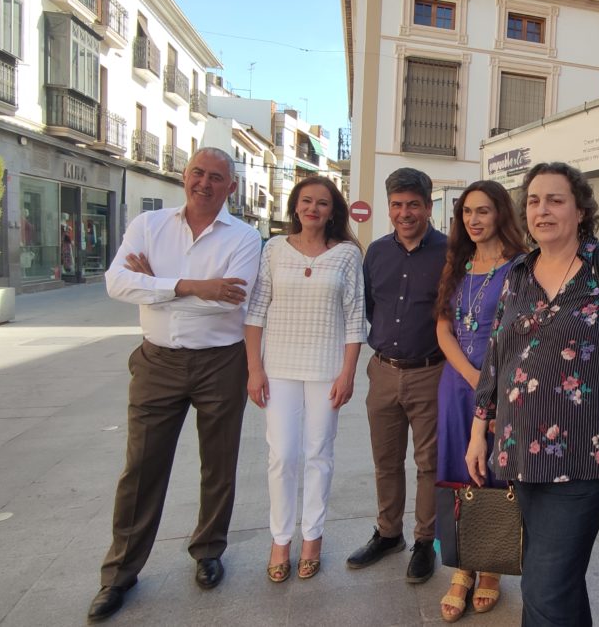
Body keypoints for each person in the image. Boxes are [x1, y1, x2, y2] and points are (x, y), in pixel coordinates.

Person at [465, 162, 599, 626]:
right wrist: (479, 431)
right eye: (535, 201)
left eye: (556, 200)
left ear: (580, 210)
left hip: (586, 452)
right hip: (521, 451)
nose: (543, 210)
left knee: (545, 582)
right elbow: (497, 357)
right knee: (556, 578)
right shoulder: (519, 272)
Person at [88, 147, 262, 622]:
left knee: (218, 463)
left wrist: (159, 284)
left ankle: (209, 550)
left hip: (221, 363)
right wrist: (191, 286)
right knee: (140, 467)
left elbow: (231, 303)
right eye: (198, 174)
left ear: (231, 187)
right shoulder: (148, 226)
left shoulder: (245, 237)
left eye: (217, 177)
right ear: (186, 176)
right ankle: (119, 573)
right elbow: (116, 283)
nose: (204, 183)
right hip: (157, 361)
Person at [244, 176, 366, 582]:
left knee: (319, 454)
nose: (314, 208)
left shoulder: (347, 254)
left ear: (334, 211)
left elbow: (354, 317)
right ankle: (281, 538)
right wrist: (254, 368)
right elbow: (257, 308)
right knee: (281, 455)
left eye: (323, 203)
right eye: (307, 201)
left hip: (326, 369)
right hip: (277, 368)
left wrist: (348, 372)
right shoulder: (275, 249)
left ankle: (312, 536)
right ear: (295, 206)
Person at [346, 167, 447, 584]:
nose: (405, 213)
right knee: (386, 461)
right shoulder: (377, 252)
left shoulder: (450, 251)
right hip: (384, 371)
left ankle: (425, 541)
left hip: (431, 372)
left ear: (427, 206)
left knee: (429, 464)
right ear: (390, 208)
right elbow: (371, 305)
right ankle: (389, 534)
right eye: (397, 205)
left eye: (413, 205)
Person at [433, 181, 529, 622]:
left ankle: (491, 565)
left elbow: (523, 334)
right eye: (467, 212)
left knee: (491, 472)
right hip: (457, 386)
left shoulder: (521, 266)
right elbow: (443, 328)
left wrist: (488, 386)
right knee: (457, 469)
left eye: (483, 211)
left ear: (501, 215)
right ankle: (463, 565)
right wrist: (472, 378)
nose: (474, 220)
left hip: (503, 383)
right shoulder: (457, 261)